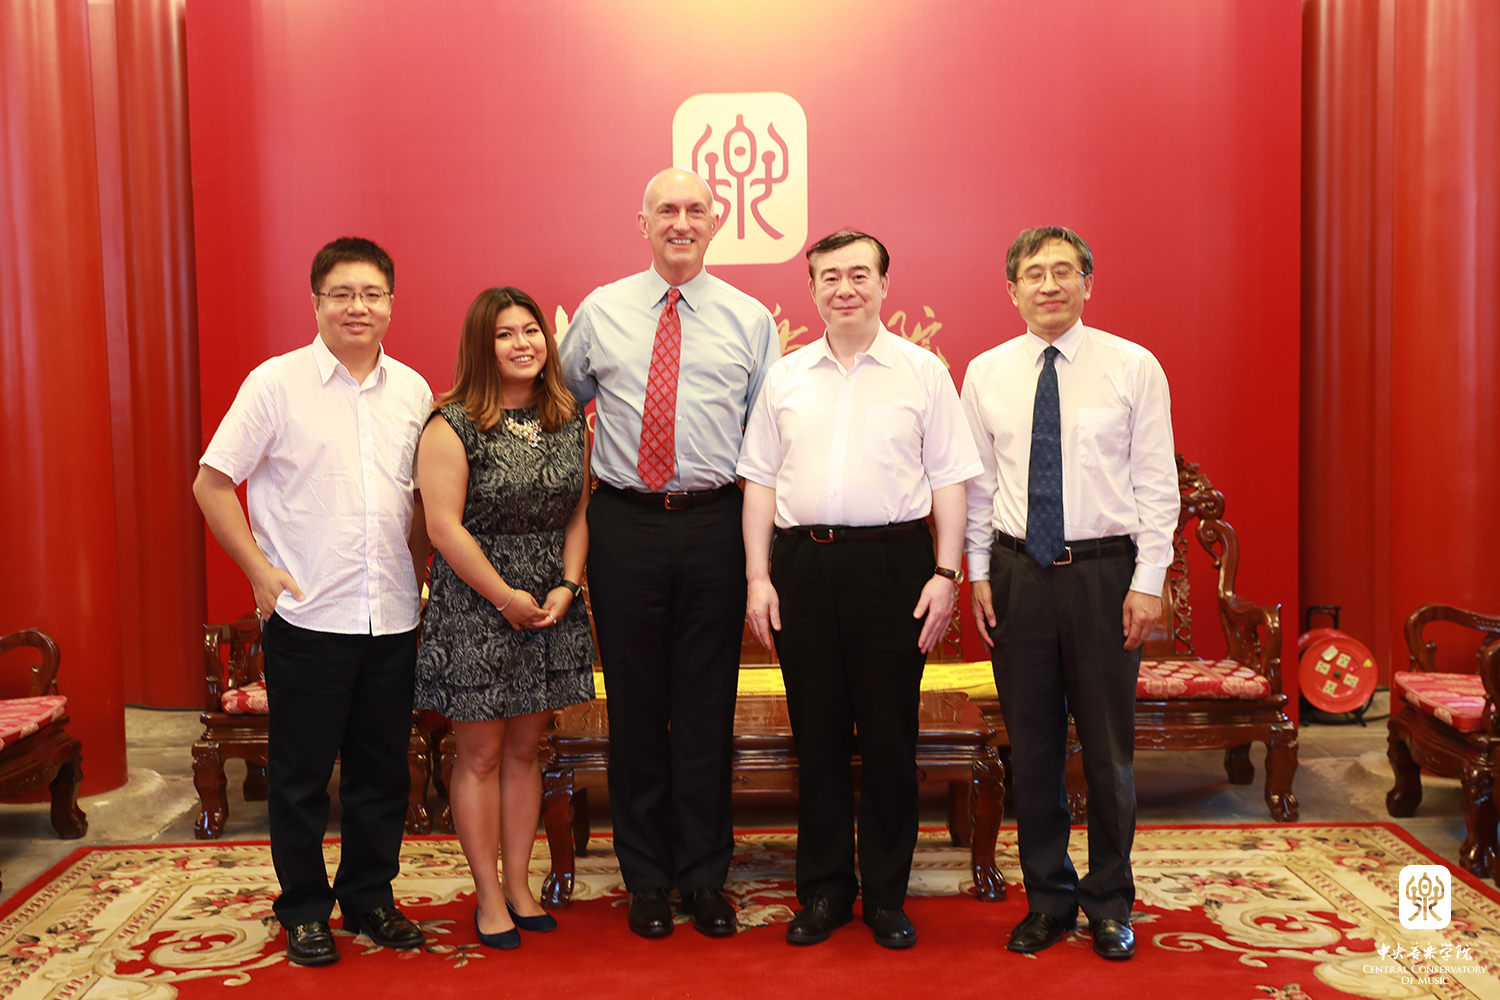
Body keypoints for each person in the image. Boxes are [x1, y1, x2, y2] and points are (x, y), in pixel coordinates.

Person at [739, 231, 981, 949]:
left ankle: (885, 896)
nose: (844, 289)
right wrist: (758, 576)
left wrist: (946, 574)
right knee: (815, 739)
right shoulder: (785, 376)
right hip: (803, 567)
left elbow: (950, 479)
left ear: (883, 284)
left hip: (893, 567)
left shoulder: (923, 372)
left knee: (887, 739)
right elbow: (759, 482)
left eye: (859, 275)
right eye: (830, 277)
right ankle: (823, 891)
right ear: (812, 288)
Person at [194, 237, 432, 967]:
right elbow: (212, 482)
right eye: (342, 294)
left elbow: (420, 501)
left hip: (391, 616)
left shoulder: (413, 391)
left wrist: (418, 573)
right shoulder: (276, 384)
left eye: (372, 294)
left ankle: (369, 896)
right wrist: (260, 572)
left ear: (391, 303)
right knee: (300, 776)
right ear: (317, 302)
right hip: (308, 616)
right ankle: (303, 907)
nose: (358, 307)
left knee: (380, 773)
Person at [558, 168, 780, 939]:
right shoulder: (601, 311)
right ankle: (647, 878)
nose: (681, 222)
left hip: (716, 523)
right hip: (624, 524)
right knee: (636, 706)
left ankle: (705, 877)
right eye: (666, 210)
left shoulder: (751, 319)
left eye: (695, 210)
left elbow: (768, 441)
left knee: (706, 707)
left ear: (715, 222)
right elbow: (560, 403)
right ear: (643, 223)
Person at [960, 226, 1177, 962]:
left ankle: (1111, 902)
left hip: (1104, 576)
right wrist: (979, 574)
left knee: (1109, 752)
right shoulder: (986, 372)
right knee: (1033, 748)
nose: (1049, 285)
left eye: (1063, 271)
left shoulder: (1132, 366)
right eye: (1034, 273)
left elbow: (1157, 484)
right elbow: (978, 487)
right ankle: (1048, 900)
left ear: (1088, 282)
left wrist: (1148, 583)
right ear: (1012, 289)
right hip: (1017, 575)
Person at [414, 286, 595, 950]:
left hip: (549, 606)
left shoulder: (568, 417)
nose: (523, 343)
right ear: (481, 347)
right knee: (481, 755)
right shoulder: (450, 423)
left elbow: (579, 512)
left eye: (531, 330)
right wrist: (503, 597)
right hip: (477, 606)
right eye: (505, 334)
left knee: (526, 751)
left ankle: (519, 886)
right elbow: (443, 527)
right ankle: (488, 896)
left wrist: (568, 585)